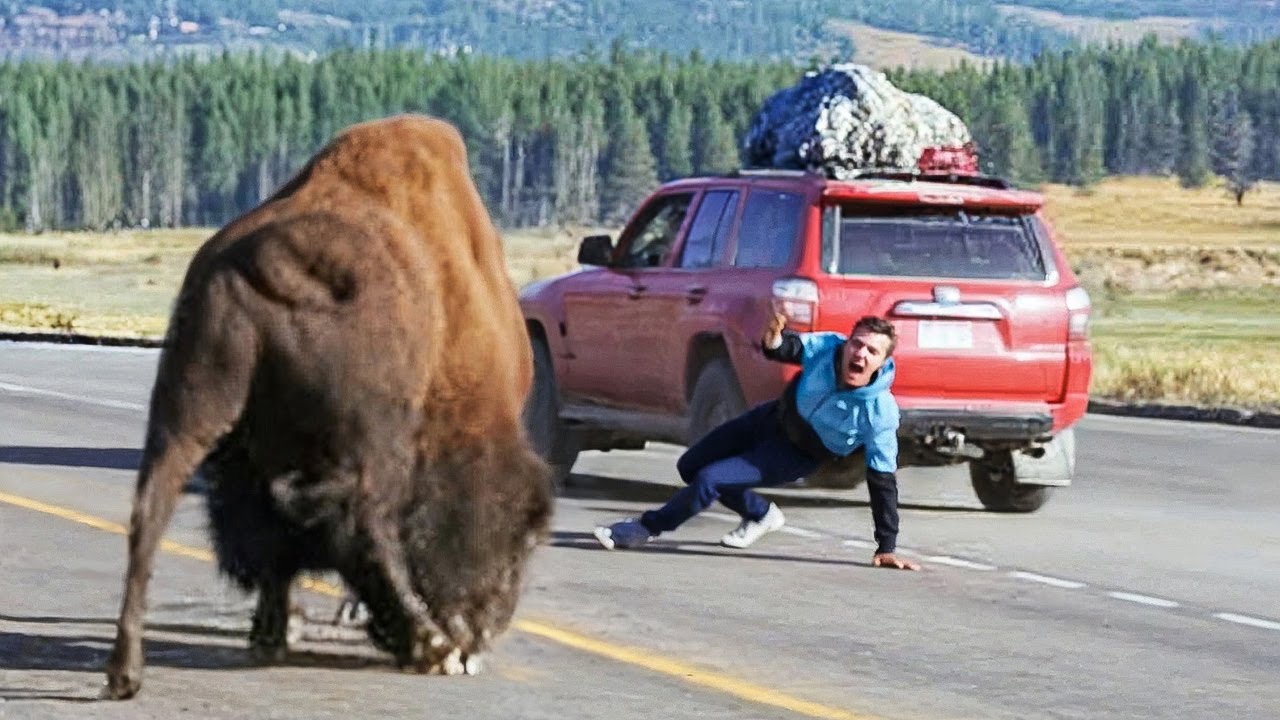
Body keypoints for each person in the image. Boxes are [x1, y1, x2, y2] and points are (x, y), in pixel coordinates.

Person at [593, 308, 919, 571]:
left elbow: (882, 481)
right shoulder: (829, 349)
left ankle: (645, 528)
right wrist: (774, 339)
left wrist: (886, 546)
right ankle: (760, 513)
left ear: (882, 362)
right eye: (856, 344)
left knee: (710, 479)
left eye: (871, 351)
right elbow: (787, 347)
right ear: (847, 344)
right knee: (691, 466)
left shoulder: (880, 413)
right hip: (771, 417)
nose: (860, 354)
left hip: (796, 453)